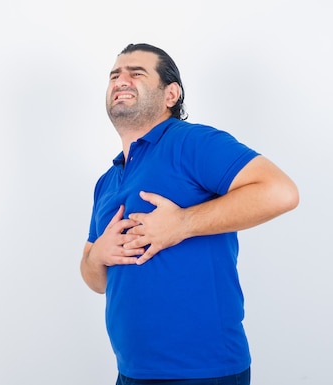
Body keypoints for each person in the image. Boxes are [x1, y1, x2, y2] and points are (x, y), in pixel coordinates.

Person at [80, 43, 299, 385]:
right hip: (132, 372)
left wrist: (182, 223)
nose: (121, 79)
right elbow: (96, 280)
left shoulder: (191, 142)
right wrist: (97, 257)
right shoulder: (107, 181)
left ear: (171, 94)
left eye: (136, 73)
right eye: (114, 75)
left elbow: (280, 192)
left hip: (203, 372)